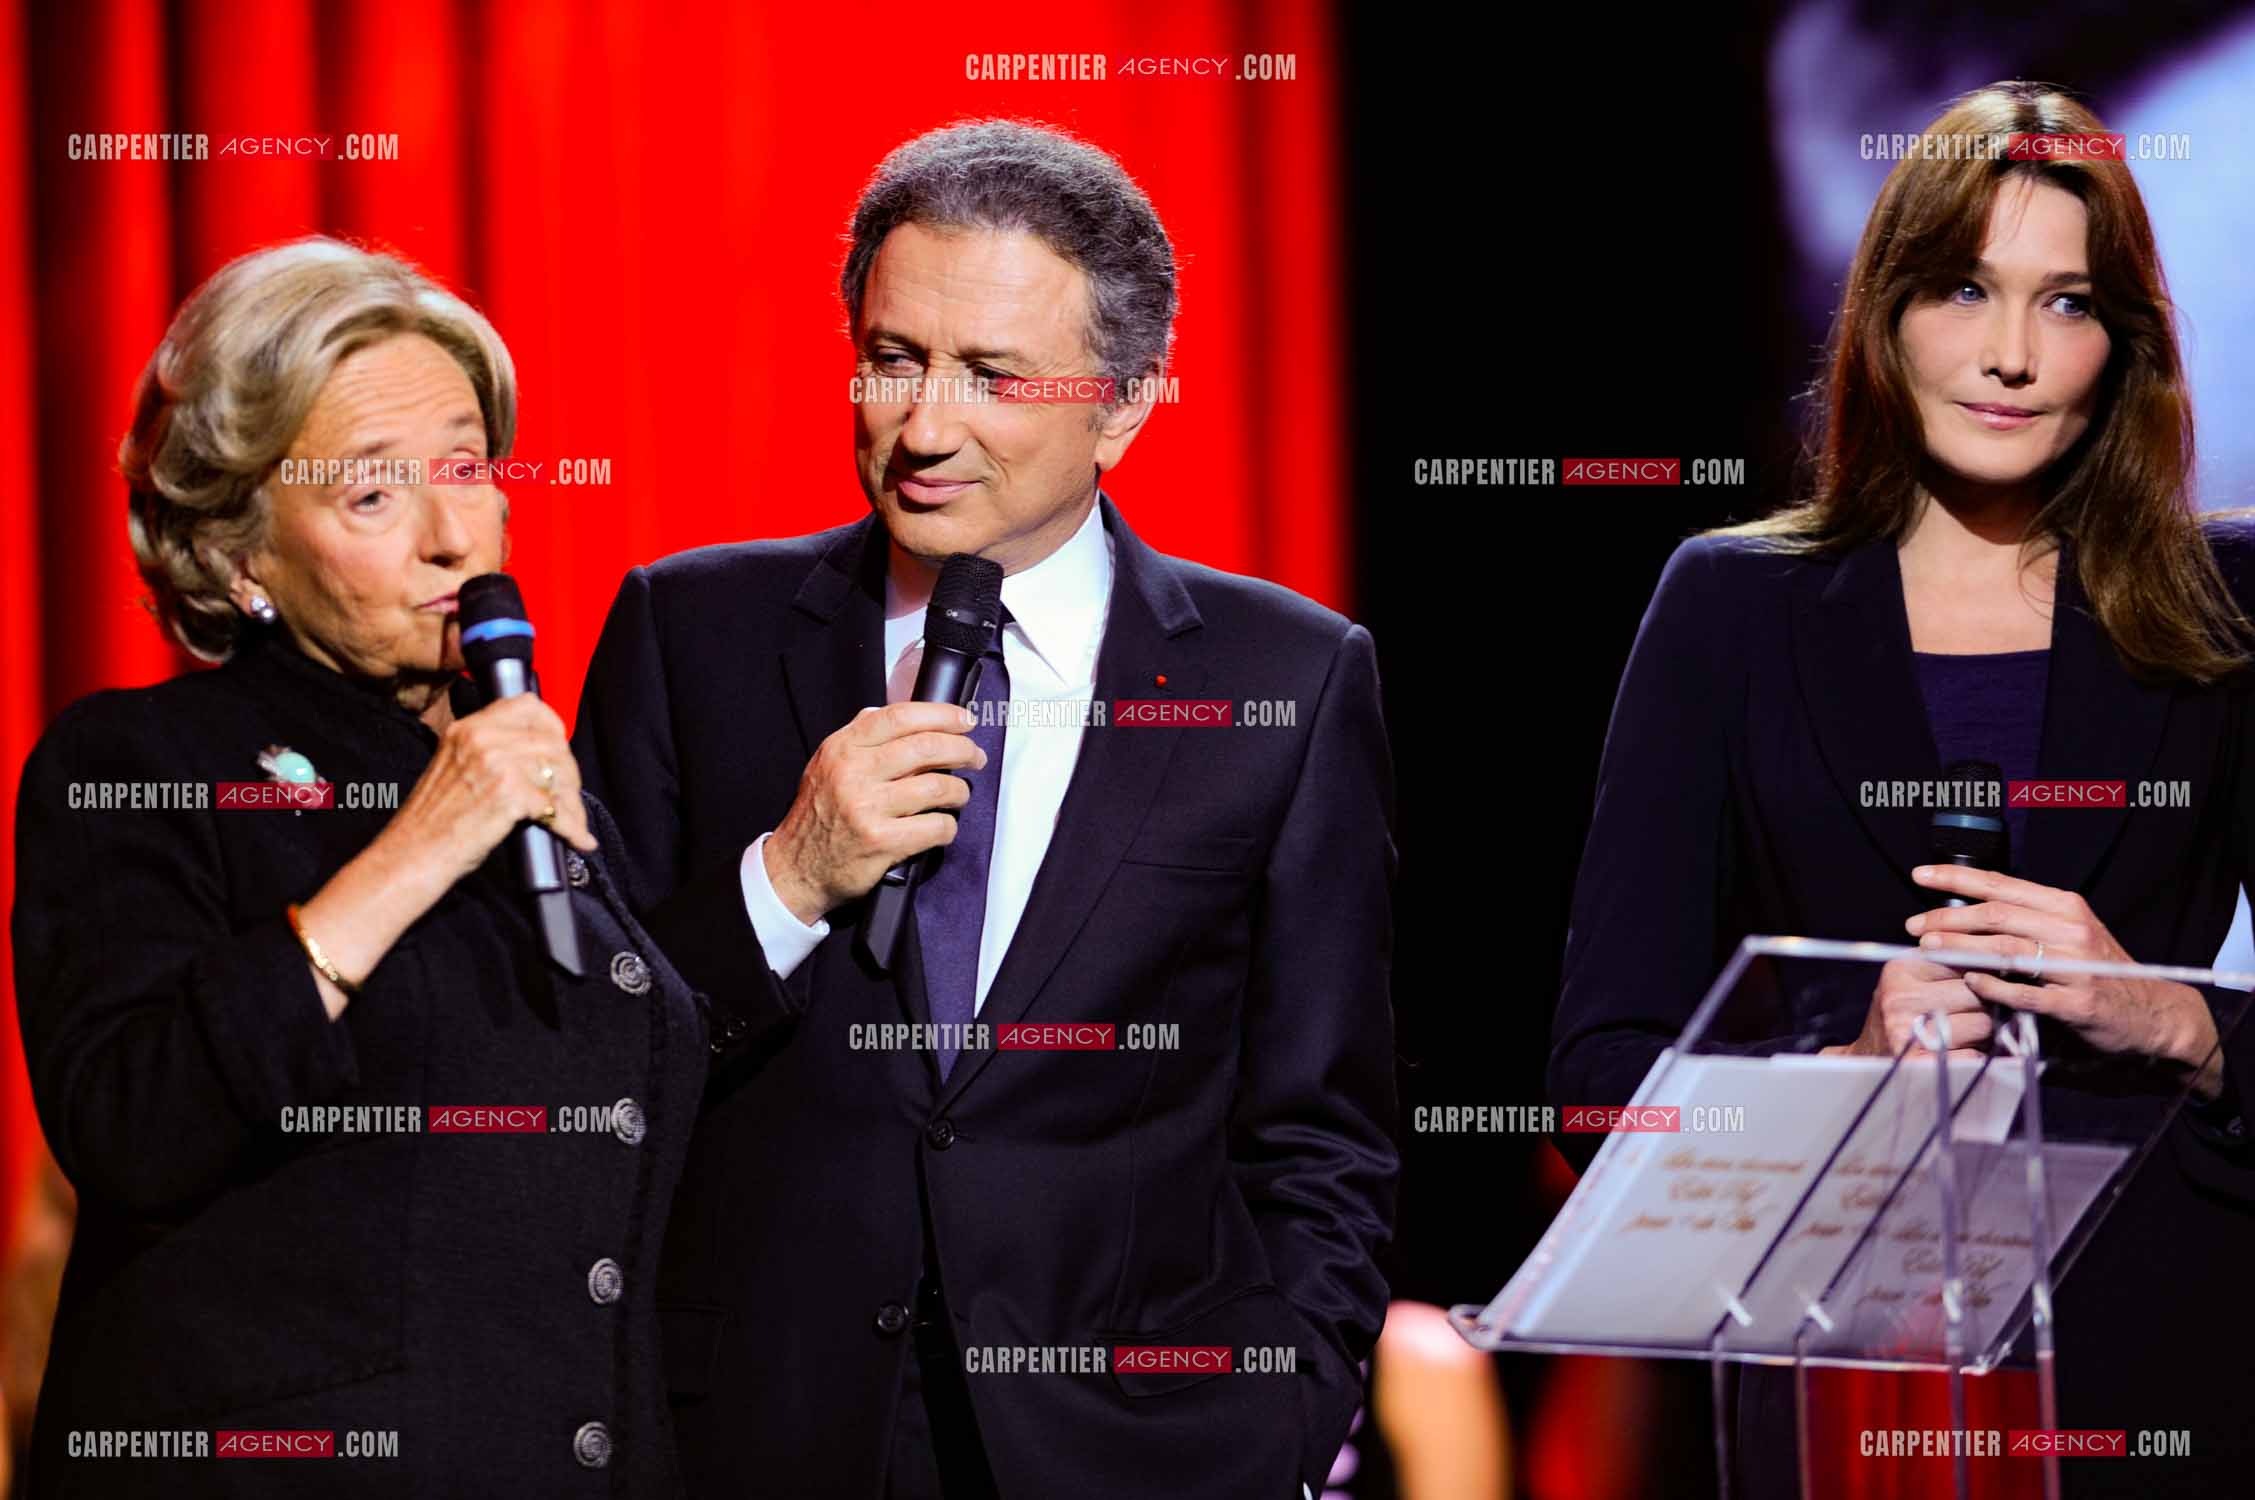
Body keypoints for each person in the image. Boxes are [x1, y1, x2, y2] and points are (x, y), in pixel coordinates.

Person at [572, 120, 1399, 1499]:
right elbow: (582, 1065)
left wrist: (1283, 1416)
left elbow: (1319, 1129)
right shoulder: (689, 631)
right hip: (755, 1441)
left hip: (1133, 1454)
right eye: (892, 358)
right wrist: (783, 880)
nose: (924, 425)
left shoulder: (1288, 677)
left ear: (1123, 404)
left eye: (991, 375)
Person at [1547, 81, 2255, 1498]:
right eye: (1959, 289)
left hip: (2170, 1373)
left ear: (2120, 348)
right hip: (1844, 1384)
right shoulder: (1730, 606)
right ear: (1881, 313)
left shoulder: (2226, 600)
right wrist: (1840, 1081)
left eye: (2063, 304)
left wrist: (2167, 1012)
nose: (2005, 355)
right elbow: (1593, 1085)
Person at [10, 238, 705, 1496]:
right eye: (373, 496)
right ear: (240, 559)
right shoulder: (142, 762)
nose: (455, 535)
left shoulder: (535, 780)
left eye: (463, 466)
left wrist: (799, 878)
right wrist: (416, 850)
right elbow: (132, 1121)